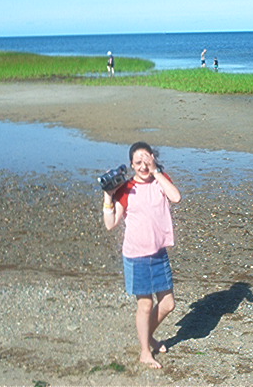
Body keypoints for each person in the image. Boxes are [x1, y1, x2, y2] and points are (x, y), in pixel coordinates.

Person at [102, 141, 181, 369]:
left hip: (159, 254)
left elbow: (175, 197)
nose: (143, 166)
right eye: (138, 162)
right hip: (136, 257)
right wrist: (108, 196)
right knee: (145, 305)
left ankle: (148, 337)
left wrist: (156, 171)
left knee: (168, 304)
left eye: (147, 160)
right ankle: (145, 352)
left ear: (153, 159)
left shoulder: (160, 180)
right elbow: (111, 224)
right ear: (131, 165)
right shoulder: (125, 190)